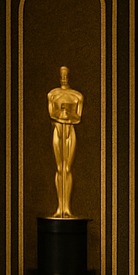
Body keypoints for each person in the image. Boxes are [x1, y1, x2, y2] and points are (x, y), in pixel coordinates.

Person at [47, 67, 83, 219]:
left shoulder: (77, 97)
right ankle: (60, 207)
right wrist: (65, 115)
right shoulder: (52, 95)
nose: (64, 76)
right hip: (58, 130)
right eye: (62, 73)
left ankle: (66, 207)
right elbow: (52, 115)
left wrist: (64, 114)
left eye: (66, 73)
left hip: (69, 131)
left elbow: (77, 117)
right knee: (59, 168)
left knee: (67, 168)